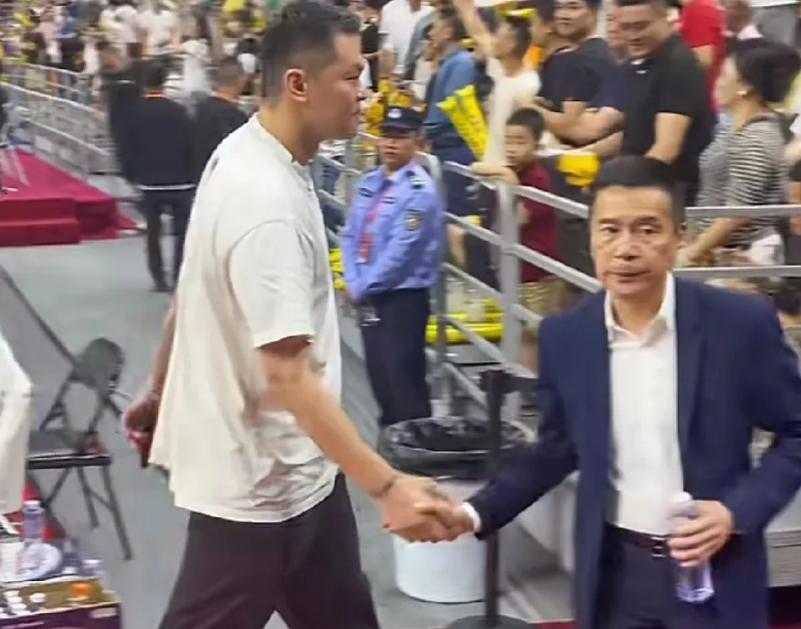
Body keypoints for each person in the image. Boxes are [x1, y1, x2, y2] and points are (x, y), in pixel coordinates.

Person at [123, 4, 453, 628]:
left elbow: (193, 288)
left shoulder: (246, 152)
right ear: (300, 84)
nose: (366, 93)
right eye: (351, 77)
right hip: (259, 493)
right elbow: (287, 375)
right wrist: (388, 486)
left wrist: (160, 385)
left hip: (304, 476)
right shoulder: (265, 201)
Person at [411, 155, 801, 629]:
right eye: (610, 230)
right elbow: (557, 449)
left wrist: (735, 512)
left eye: (647, 230)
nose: (626, 249)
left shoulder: (738, 325)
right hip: (614, 575)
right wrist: (473, 512)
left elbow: (796, 431)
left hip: (715, 571)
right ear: (591, 237)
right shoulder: (566, 337)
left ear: (679, 236)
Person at [341, 106, 442, 427]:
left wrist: (360, 286)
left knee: (404, 382)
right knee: (380, 378)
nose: (390, 144)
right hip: (369, 293)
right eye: (386, 136)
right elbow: (351, 233)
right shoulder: (370, 182)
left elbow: (401, 252)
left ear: (417, 141)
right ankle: (389, 444)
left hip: (402, 299)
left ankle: (418, 446)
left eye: (400, 137)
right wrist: (353, 279)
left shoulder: (419, 191)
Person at [582, 0, 715, 205]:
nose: (633, 36)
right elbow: (635, 133)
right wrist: (582, 154)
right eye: (625, 27)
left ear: (665, 18)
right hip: (639, 180)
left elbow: (666, 149)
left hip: (667, 191)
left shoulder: (678, 66)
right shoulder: (639, 63)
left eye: (641, 26)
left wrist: (621, 189)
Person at [681, 40, 801, 268]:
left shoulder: (758, 137)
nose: (717, 83)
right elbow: (711, 191)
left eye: (724, 76)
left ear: (745, 87)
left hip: (743, 260)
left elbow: (737, 213)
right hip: (712, 252)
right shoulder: (731, 127)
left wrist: (690, 255)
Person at [464, 108, 560, 371]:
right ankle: (523, 380)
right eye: (508, 141)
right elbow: (476, 167)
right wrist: (505, 174)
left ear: (537, 146)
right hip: (515, 270)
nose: (512, 148)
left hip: (537, 274)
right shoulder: (511, 171)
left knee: (534, 335)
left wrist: (509, 181)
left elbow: (518, 218)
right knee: (518, 330)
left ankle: (532, 385)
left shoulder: (538, 178)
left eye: (520, 142)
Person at [126, 60, 194, 292]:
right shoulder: (179, 111)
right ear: (164, 82)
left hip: (149, 181)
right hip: (180, 181)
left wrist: (133, 174)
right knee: (181, 232)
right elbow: (190, 143)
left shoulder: (135, 112)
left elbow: (129, 147)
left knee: (153, 232)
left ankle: (158, 277)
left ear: (144, 83)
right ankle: (178, 275)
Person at [453, 0, 539, 163]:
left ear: (511, 45)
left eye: (498, 36)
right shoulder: (501, 70)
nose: (493, 40)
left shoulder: (528, 85)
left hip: (508, 171)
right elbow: (480, 35)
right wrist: (465, 7)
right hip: (490, 166)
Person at [423, 7, 476, 215]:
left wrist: (424, 133)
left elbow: (451, 107)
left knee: (454, 216)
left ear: (448, 32)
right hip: (443, 148)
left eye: (434, 27)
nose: (430, 33)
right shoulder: (450, 63)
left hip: (455, 150)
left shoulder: (462, 64)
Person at [191, 56, 248, 182]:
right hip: (227, 183)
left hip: (201, 182)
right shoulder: (235, 117)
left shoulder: (198, 110)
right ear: (242, 80)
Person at [97, 39, 144, 184]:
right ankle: (130, 175)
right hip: (118, 111)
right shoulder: (106, 73)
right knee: (122, 145)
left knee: (132, 144)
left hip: (131, 110)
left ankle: (135, 174)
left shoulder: (132, 69)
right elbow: (104, 94)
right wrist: (102, 109)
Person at [678, 0, 725, 108]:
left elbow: (703, 60)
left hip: (707, 99)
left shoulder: (697, 10)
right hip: (711, 97)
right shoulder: (700, 7)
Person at [379, 0, 434, 75]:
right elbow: (385, 45)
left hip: (422, 70)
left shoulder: (430, 13)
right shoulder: (389, 9)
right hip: (396, 72)